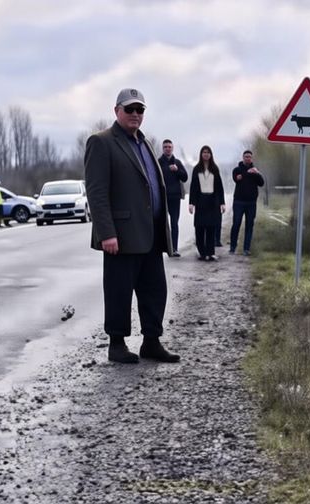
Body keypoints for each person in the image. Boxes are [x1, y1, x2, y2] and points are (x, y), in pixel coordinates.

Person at [84, 88, 180, 364]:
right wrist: (107, 233)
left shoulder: (144, 142)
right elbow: (97, 192)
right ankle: (117, 344)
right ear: (117, 111)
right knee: (118, 291)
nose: (136, 114)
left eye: (140, 110)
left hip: (150, 232)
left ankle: (151, 341)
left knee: (154, 290)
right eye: (130, 109)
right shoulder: (102, 142)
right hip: (121, 236)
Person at [188, 145, 225, 261]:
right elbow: (193, 186)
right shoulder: (197, 169)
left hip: (212, 202)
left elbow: (219, 187)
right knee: (199, 228)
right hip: (200, 202)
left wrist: (222, 203)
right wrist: (191, 203)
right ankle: (202, 253)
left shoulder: (215, 169)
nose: (206, 154)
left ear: (211, 155)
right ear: (201, 154)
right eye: (204, 152)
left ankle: (210, 252)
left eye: (208, 152)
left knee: (211, 228)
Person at [229, 149, 265, 255]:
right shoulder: (237, 170)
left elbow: (261, 183)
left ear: (252, 158)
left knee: (249, 225)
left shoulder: (255, 171)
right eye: (246, 156)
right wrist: (246, 173)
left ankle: (246, 249)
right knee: (236, 224)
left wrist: (257, 173)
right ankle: (232, 246)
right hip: (239, 202)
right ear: (243, 158)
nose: (247, 158)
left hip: (251, 202)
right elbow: (236, 179)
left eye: (249, 157)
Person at [158, 139, 188, 257]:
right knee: (161, 223)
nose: (167, 149)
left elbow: (185, 177)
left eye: (169, 147)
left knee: (174, 223)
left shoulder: (177, 162)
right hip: (162, 197)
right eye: (165, 147)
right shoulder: (159, 162)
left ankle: (174, 248)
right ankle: (160, 248)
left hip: (175, 197)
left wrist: (177, 170)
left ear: (172, 148)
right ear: (162, 148)